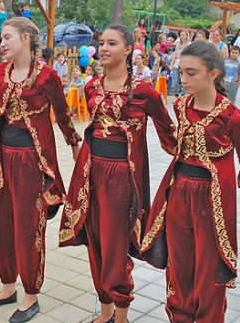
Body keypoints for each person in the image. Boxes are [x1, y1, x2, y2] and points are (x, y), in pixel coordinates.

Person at [141, 40, 240, 323]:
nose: (183, 79)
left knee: (210, 273)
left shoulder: (233, 118)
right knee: (179, 267)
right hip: (178, 195)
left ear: (213, 74)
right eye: (181, 72)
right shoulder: (181, 105)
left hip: (212, 202)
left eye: (191, 73)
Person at [0, 17, 81, 323]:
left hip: (32, 163)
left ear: (26, 38)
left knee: (29, 229)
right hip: (1, 160)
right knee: (1, 225)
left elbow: (64, 115)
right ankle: (7, 288)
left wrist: (75, 147)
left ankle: (31, 294)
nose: (2, 43)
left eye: (7, 37)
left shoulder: (46, 76)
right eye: (1, 39)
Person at [59, 24, 176, 323]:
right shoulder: (91, 86)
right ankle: (106, 310)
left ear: (128, 50)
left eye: (112, 43)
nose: (104, 48)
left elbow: (169, 134)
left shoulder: (145, 93)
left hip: (122, 178)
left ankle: (121, 314)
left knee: (116, 245)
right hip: (90, 174)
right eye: (101, 43)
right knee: (94, 240)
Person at [171, 30, 190, 97]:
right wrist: (172, 64)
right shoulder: (178, 44)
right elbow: (174, 55)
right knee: (176, 80)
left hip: (184, 64)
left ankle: (183, 94)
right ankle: (176, 94)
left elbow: (188, 55)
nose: (182, 37)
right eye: (181, 35)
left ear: (186, 36)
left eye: (183, 35)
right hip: (176, 64)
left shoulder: (189, 45)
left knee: (184, 80)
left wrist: (179, 56)